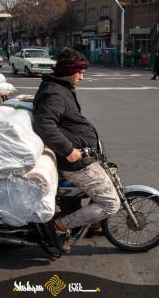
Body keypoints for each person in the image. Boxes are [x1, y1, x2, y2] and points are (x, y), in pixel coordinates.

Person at [33, 49, 121, 253]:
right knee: (111, 204)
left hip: (83, 155)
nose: (83, 75)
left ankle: (93, 224)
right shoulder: (54, 93)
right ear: (69, 70)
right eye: (80, 71)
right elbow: (45, 124)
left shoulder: (61, 87)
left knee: (111, 174)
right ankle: (58, 226)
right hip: (76, 162)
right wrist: (68, 150)